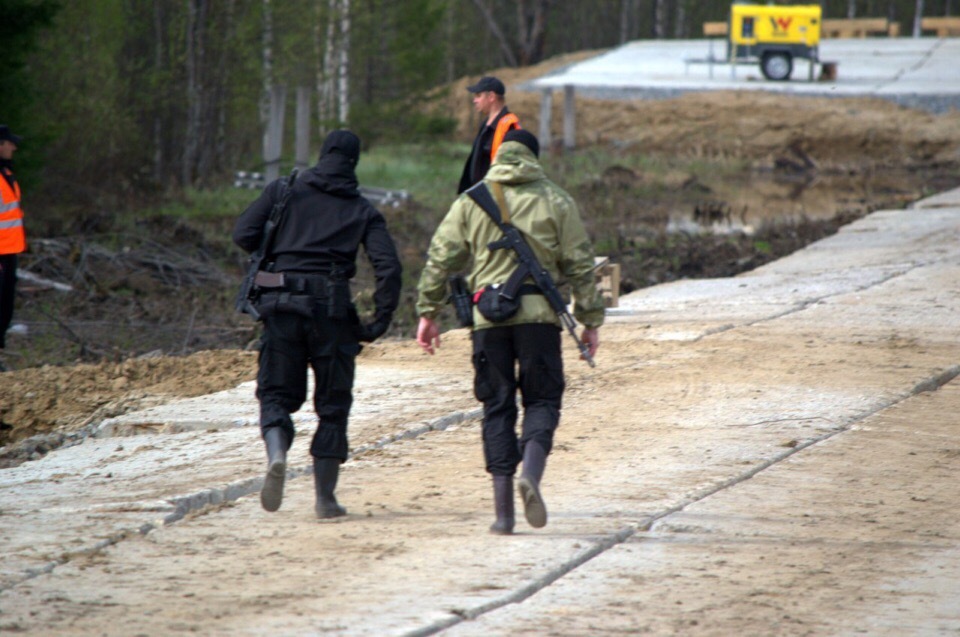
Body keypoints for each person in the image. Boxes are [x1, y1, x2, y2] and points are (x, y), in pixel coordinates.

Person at [416, 129, 604, 535]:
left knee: (496, 407)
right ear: (535, 158)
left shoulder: (470, 200)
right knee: (541, 401)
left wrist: (428, 312)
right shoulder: (556, 199)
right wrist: (591, 320)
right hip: (539, 321)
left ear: (499, 157)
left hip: (489, 322)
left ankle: (503, 516)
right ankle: (531, 477)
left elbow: (440, 257)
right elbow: (581, 264)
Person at [233, 130, 402, 518]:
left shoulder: (284, 190)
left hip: (281, 307)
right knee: (333, 405)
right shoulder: (362, 209)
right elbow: (388, 267)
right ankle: (325, 499)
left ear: (322, 154)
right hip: (332, 312)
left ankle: (277, 454)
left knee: (275, 393)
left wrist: (278, 250)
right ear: (354, 163)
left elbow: (242, 233)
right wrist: (380, 319)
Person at [457, 76, 521, 194]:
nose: (474, 100)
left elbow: (511, 170)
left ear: (491, 97)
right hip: (481, 196)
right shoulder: (486, 124)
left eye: (478, 96)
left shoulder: (509, 126)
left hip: (496, 197)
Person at [0, 125, 26, 365]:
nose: (14, 147)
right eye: (9, 143)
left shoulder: (8, 175)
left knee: (5, 306)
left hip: (9, 251)